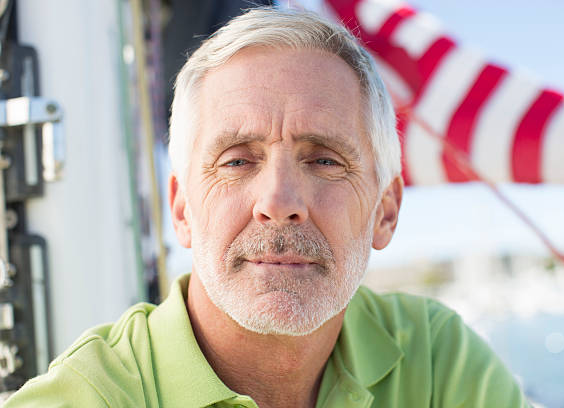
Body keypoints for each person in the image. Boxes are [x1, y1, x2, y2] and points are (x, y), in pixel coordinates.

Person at [5, 7, 531, 408]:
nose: (278, 203)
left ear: (386, 210)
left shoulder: (438, 361)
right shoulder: (88, 397)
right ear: (183, 209)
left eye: (325, 161)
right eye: (236, 161)